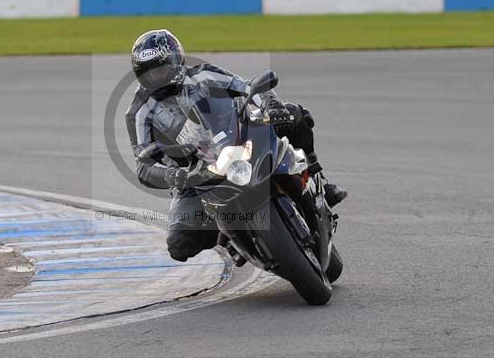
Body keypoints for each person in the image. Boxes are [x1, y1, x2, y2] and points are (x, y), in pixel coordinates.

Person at [125, 29, 347, 262]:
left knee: (294, 115)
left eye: (160, 69)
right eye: (148, 73)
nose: (156, 78)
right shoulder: (138, 112)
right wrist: (175, 176)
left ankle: (316, 173)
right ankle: (229, 236)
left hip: (236, 138)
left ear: (176, 61)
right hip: (193, 175)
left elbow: (246, 87)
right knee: (179, 245)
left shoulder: (202, 75)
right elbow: (143, 165)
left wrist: (271, 105)